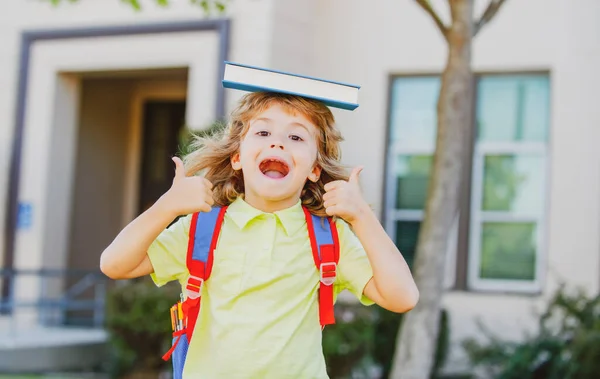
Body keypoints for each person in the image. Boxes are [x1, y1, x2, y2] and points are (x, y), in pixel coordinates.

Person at [100, 91, 419, 378]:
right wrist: (166, 206)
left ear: (314, 170)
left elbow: (402, 297)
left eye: (296, 137)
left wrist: (362, 217)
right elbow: (115, 264)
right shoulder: (202, 228)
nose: (277, 143)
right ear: (237, 157)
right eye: (263, 132)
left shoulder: (329, 235)